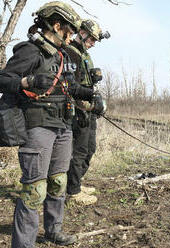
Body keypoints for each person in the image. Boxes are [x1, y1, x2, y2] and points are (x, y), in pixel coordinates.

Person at [0, 1, 104, 247]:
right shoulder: (30, 50)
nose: (72, 35)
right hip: (38, 126)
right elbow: (3, 79)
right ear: (57, 25)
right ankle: (23, 244)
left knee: (58, 182)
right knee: (35, 189)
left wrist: (91, 95)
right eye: (69, 30)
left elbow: (69, 87)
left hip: (63, 126)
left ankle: (53, 231)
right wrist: (28, 81)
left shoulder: (62, 54)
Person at [65, 19, 109, 205]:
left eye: (94, 41)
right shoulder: (70, 53)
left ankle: (76, 183)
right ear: (81, 33)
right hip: (78, 111)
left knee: (90, 148)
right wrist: (90, 102)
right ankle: (72, 192)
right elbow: (71, 89)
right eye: (91, 39)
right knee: (79, 151)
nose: (92, 44)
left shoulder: (82, 53)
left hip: (88, 109)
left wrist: (96, 102)